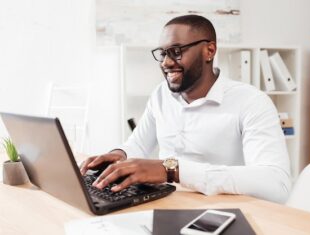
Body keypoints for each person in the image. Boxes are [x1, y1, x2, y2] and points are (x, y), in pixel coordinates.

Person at [81, 14, 291, 203]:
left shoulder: (252, 102)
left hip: (221, 211)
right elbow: (138, 143)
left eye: (177, 51)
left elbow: (276, 185)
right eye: (162, 54)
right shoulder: (161, 94)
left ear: (209, 50)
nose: (166, 62)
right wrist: (120, 155)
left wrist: (172, 171)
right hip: (163, 202)